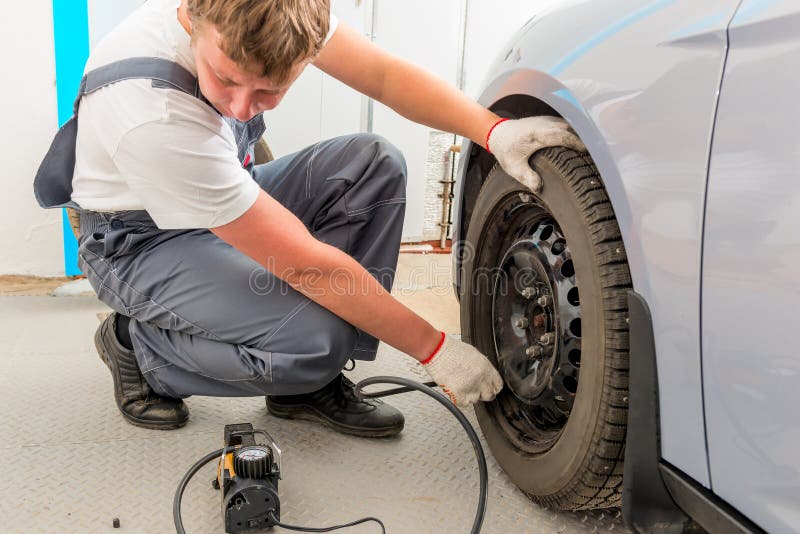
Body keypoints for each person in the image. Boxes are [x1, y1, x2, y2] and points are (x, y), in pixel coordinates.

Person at [55, 0, 585, 436]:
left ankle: (304, 386)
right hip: (138, 242)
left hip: (215, 195)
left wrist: (491, 130)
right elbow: (307, 267)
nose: (243, 108)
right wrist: (435, 348)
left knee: (371, 166)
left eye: (269, 91)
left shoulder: (283, 13)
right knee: (316, 339)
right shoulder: (154, 115)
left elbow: (382, 74)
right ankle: (137, 346)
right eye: (225, 79)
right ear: (191, 15)